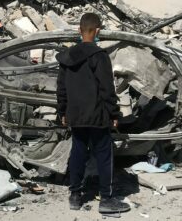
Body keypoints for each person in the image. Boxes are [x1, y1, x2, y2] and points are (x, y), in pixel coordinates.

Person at [56, 13, 129, 214]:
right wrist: (114, 114)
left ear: (79, 30)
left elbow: (61, 88)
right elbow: (107, 89)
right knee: (104, 155)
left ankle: (75, 196)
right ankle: (106, 199)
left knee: (78, 152)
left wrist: (62, 111)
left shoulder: (67, 57)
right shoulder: (99, 56)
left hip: (76, 115)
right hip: (97, 116)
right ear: (97, 31)